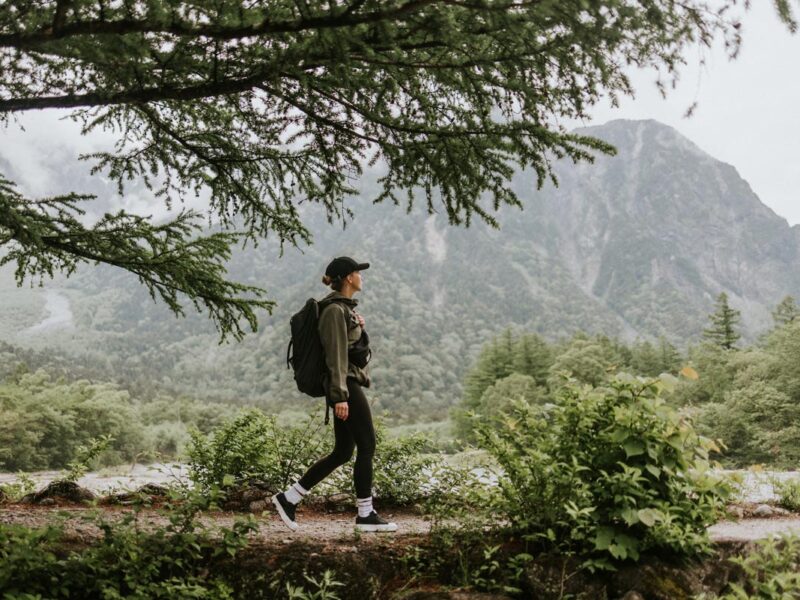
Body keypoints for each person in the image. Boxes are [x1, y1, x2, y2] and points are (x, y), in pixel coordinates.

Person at [272, 257, 398, 533]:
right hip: (345, 386)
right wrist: (340, 396)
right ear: (348, 277)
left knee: (343, 452)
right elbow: (335, 356)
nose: (361, 277)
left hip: (345, 384)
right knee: (367, 445)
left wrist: (359, 328)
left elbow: (353, 352)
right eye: (357, 272)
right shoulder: (333, 312)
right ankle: (365, 514)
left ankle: (289, 498)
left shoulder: (344, 311)